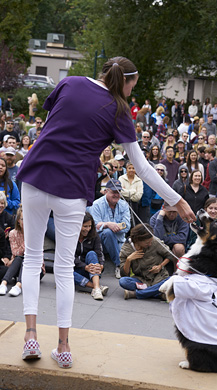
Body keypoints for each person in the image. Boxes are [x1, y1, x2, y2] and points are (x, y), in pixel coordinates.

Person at [16, 56, 195, 368]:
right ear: (125, 82)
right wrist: (176, 199)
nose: (130, 93)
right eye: (132, 87)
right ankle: (64, 346)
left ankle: (30, 336)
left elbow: (54, 125)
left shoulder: (70, 82)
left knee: (32, 258)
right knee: (62, 265)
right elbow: (143, 167)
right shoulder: (119, 110)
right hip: (71, 187)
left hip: (36, 175)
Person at [119, 223, 176, 300]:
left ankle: (137, 294)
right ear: (137, 240)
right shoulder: (126, 249)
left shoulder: (154, 241)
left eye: (150, 241)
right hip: (142, 280)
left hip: (159, 278)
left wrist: (160, 266)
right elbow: (124, 274)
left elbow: (170, 255)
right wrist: (128, 260)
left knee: (173, 280)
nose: (149, 244)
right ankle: (156, 293)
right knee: (123, 281)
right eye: (147, 242)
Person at [89, 179, 131, 279]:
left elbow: (127, 226)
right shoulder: (96, 204)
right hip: (101, 241)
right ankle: (119, 265)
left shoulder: (124, 205)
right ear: (106, 191)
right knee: (107, 232)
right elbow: (94, 226)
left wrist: (113, 226)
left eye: (118, 192)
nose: (116, 195)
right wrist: (108, 224)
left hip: (119, 240)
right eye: (114, 192)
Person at [73, 212, 108, 301]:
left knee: (92, 253)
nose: (88, 229)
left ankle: (96, 289)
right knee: (66, 272)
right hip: (76, 269)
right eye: (85, 226)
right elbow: (70, 257)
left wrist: (101, 265)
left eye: (90, 226)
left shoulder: (94, 236)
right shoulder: (71, 236)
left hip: (92, 270)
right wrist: (85, 267)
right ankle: (97, 287)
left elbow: (99, 252)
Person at [0, 206, 31, 297]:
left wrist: (27, 237)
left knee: (24, 259)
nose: (24, 222)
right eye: (22, 219)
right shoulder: (13, 233)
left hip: (34, 266)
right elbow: (15, 253)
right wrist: (27, 243)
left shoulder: (34, 233)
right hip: (17, 262)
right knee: (18, 258)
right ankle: (3, 284)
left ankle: (18, 286)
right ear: (18, 220)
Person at [118, 161, 143, 226]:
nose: (131, 170)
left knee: (134, 223)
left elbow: (138, 196)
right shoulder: (121, 178)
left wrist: (127, 194)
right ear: (126, 169)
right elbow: (120, 192)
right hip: (122, 204)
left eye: (133, 168)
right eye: (129, 168)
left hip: (135, 206)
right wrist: (133, 191)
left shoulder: (139, 180)